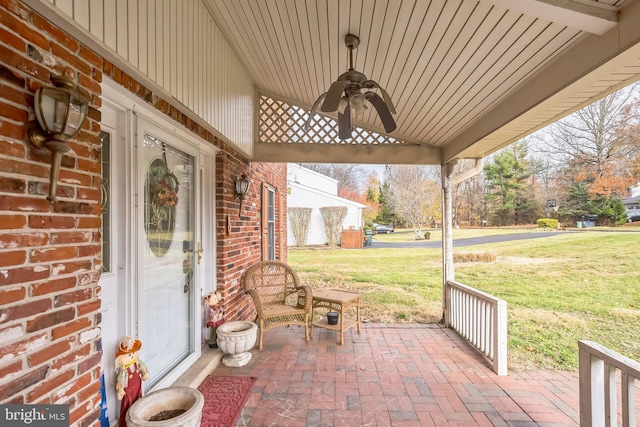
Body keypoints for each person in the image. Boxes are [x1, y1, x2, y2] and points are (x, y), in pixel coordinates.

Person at [115, 336, 149, 427]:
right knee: (128, 407)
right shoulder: (124, 371)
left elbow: (142, 367)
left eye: (133, 353)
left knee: (138, 403)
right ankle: (126, 424)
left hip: (137, 388)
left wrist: (144, 373)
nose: (132, 356)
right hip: (129, 392)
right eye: (129, 354)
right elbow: (121, 380)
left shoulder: (137, 362)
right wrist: (120, 389)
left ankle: (139, 420)